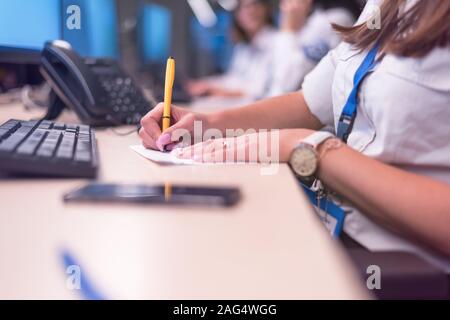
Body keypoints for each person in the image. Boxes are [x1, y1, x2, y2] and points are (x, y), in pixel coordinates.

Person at [140, 0, 450, 272]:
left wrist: (310, 151)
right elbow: (310, 101)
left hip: (391, 260)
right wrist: (206, 124)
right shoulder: (380, 8)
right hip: (327, 221)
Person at [186, 0, 277, 99]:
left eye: (255, 4)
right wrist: (207, 83)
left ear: (266, 9)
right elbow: (234, 79)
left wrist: (218, 90)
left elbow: (258, 91)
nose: (250, 10)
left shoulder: (279, 42)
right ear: (237, 16)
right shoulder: (243, 47)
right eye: (243, 7)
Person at [268, 0, 356, 97]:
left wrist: (288, 32)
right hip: (280, 104)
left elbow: (287, 82)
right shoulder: (284, 29)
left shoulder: (334, 19)